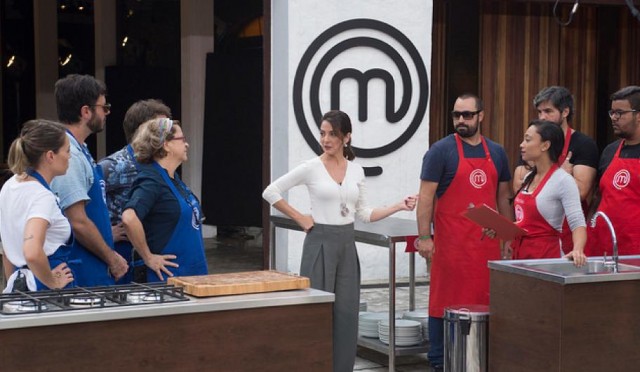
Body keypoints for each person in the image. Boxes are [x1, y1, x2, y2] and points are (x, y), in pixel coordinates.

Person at [262, 110, 417, 372]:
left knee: (347, 315)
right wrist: (300, 218)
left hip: (347, 245)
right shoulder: (310, 167)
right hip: (319, 244)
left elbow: (365, 214)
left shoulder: (356, 171)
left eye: (332, 134)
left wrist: (398, 206)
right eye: (322, 133)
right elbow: (270, 191)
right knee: (317, 314)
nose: (326, 139)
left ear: (347, 137)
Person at [415, 93, 513, 372]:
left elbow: (503, 196)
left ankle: (483, 361)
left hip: (485, 251)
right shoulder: (440, 151)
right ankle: (439, 361)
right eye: (456, 114)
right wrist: (424, 237)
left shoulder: (496, 152)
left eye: (467, 115)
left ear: (481, 116)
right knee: (442, 304)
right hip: (450, 250)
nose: (461, 120)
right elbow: (425, 197)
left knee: (486, 305)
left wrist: (508, 237)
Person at [50, 74, 128, 287]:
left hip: (92, 266)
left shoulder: (79, 149)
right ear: (86, 111)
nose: (106, 113)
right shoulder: (70, 155)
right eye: (104, 107)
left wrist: (104, 233)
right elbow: (77, 221)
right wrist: (112, 258)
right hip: (81, 271)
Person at [513, 86, 598, 254]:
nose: (542, 117)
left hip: (560, 240)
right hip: (526, 246)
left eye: (548, 111)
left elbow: (580, 191)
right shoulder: (531, 148)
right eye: (539, 112)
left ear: (565, 112)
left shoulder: (583, 144)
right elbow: (518, 187)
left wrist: (578, 249)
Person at [121, 118, 208, 282]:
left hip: (191, 273)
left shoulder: (173, 178)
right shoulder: (151, 180)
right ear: (166, 145)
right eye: (182, 139)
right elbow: (129, 218)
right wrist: (148, 257)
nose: (187, 144)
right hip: (167, 280)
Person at [99, 99, 172, 283]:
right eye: (160, 127)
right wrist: (107, 233)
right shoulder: (112, 166)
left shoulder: (162, 164)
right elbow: (81, 208)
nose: (167, 134)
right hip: (122, 256)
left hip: (155, 251)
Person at [0, 120, 75, 292]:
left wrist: (14, 286)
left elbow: (7, 248)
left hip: (20, 284)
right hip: (45, 288)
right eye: (67, 151)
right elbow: (32, 252)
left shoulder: (10, 186)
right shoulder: (42, 196)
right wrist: (52, 282)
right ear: (50, 156)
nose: (69, 156)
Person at [511, 120, 587, 264]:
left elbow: (577, 222)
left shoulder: (563, 180)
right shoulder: (528, 177)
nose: (522, 145)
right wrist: (500, 229)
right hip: (521, 257)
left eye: (527, 140)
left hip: (546, 259)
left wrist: (578, 249)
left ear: (545, 145)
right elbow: (525, 223)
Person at [586, 86, 640, 256]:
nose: (614, 118)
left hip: (634, 249)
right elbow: (598, 196)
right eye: (612, 113)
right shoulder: (610, 151)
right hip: (601, 245)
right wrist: (589, 227)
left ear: (638, 115)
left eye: (620, 113)